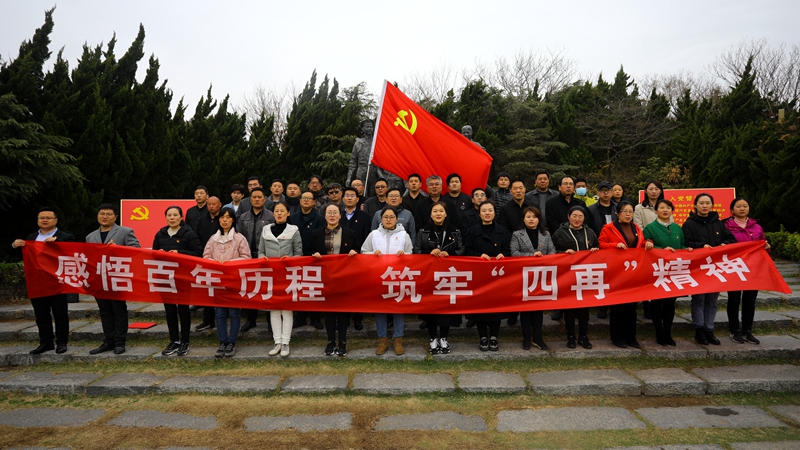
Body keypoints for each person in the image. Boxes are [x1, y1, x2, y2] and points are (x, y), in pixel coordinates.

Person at [12, 207, 76, 355]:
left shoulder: (66, 236)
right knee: (41, 315)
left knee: (60, 314)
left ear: (56, 220)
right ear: (38, 220)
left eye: (48, 218)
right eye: (42, 218)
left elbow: (72, 251)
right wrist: (14, 246)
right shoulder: (32, 237)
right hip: (37, 282)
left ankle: (62, 342)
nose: (45, 220)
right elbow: (23, 256)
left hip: (57, 282)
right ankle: (46, 342)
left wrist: (57, 242)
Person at [681, 193, 736, 345]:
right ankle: (699, 330)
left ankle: (709, 329)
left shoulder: (718, 223)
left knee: (712, 299)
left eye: (707, 203)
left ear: (712, 205)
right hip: (698, 268)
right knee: (699, 299)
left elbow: (731, 239)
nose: (704, 206)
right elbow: (687, 243)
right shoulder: (689, 224)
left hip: (715, 268)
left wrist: (725, 244)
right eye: (701, 203)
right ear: (695, 205)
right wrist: (701, 246)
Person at [86, 203, 141, 355]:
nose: (105, 216)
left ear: (116, 217)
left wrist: (118, 249)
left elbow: (137, 250)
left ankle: (119, 342)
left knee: (119, 310)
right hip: (99, 279)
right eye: (102, 214)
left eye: (109, 214)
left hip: (117, 278)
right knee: (105, 311)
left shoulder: (125, 232)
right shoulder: (90, 236)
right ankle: (108, 341)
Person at [361, 206, 413, 356]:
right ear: (381, 219)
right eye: (385, 217)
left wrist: (404, 255)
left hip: (398, 277)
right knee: (380, 309)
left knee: (398, 308)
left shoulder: (404, 235)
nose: (388, 220)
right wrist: (373, 253)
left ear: (396, 219)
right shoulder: (373, 234)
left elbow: (411, 254)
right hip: (379, 277)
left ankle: (398, 339)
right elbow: (363, 252)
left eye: (391, 217)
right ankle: (382, 339)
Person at [414, 201, 465, 355]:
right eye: (435, 211)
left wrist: (451, 254)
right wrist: (428, 253)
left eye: (441, 211)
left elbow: (462, 249)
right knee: (430, 308)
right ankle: (432, 339)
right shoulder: (423, 231)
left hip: (447, 276)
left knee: (445, 309)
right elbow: (416, 250)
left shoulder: (454, 231)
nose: (438, 214)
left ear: (446, 213)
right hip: (429, 276)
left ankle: (443, 338)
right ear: (430, 214)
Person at [598, 201, 650, 348]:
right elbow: (601, 244)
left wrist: (648, 242)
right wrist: (615, 246)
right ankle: (617, 338)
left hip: (633, 273)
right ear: (617, 213)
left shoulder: (636, 228)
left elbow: (641, 242)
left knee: (632, 307)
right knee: (618, 306)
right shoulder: (609, 228)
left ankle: (631, 338)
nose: (628, 214)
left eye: (630, 211)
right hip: (617, 273)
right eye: (625, 211)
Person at [153, 206, 202, 357]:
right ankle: (174, 340)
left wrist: (180, 253)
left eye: (175, 215)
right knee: (169, 310)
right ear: (166, 217)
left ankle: (185, 341)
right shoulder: (160, 234)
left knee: (183, 310)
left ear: (181, 217)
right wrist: (159, 253)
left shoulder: (189, 233)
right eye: (169, 215)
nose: (172, 218)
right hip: (165, 277)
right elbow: (153, 254)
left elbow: (198, 253)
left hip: (182, 278)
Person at [310, 204, 359, 356]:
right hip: (325, 277)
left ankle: (342, 342)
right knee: (329, 312)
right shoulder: (316, 234)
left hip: (343, 278)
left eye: (335, 212)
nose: (332, 215)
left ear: (340, 215)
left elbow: (358, 250)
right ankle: (330, 341)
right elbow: (308, 251)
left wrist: (354, 252)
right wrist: (314, 254)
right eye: (329, 212)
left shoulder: (350, 233)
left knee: (343, 312)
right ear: (325, 216)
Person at [202, 207, 250, 358]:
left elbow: (246, 258)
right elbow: (206, 257)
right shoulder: (213, 239)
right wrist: (216, 263)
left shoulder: (239, 238)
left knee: (234, 313)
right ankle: (222, 341)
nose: (225, 220)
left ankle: (232, 342)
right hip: (217, 281)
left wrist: (229, 264)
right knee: (220, 313)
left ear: (233, 220)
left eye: (228, 217)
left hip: (234, 280)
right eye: (222, 217)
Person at [643, 199, 691, 346]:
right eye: (662, 207)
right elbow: (645, 248)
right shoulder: (650, 228)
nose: (665, 210)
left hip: (674, 271)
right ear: (656, 211)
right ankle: (659, 332)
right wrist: (661, 250)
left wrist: (687, 250)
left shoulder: (677, 228)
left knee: (670, 302)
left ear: (672, 211)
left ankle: (667, 332)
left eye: (668, 208)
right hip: (658, 271)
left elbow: (682, 245)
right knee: (657, 302)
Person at [464, 201, 511, 351]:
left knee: (496, 307)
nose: (487, 213)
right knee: (481, 307)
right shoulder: (473, 231)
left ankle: (494, 336)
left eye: (490, 210)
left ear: (494, 213)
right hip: (479, 275)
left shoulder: (502, 231)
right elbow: (467, 250)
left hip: (498, 275)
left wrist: (503, 254)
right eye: (484, 210)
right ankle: (483, 337)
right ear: (479, 214)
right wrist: (478, 256)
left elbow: (508, 249)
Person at [259, 201, 303, 357]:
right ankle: (277, 341)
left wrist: (290, 259)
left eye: (282, 211)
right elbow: (260, 251)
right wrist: (262, 258)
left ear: (288, 213)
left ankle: (286, 343)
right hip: (270, 274)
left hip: (288, 275)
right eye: (276, 211)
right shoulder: (266, 230)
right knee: (274, 308)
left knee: (286, 309)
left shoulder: (293, 230)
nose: (279, 213)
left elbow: (299, 254)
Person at [552, 205, 599, 349]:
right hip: (567, 276)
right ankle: (571, 336)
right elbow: (552, 252)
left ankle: (583, 336)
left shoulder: (590, 232)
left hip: (585, 276)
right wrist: (563, 253)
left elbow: (598, 248)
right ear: (568, 217)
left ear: (584, 218)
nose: (577, 219)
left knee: (584, 308)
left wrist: (596, 250)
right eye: (574, 216)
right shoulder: (560, 233)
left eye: (580, 216)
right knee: (569, 308)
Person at [724, 197, 770, 345]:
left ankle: (747, 330)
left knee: (750, 300)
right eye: (738, 206)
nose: (742, 208)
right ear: (732, 210)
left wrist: (767, 247)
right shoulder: (726, 226)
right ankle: (734, 330)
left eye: (745, 206)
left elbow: (763, 244)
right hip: (734, 268)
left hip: (753, 268)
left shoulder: (757, 227)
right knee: (734, 299)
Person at [510, 207, 555, 351]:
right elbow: (514, 253)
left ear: (539, 219)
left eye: (534, 217)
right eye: (528, 217)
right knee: (526, 308)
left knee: (538, 308)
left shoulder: (546, 234)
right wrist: (532, 256)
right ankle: (526, 337)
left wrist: (543, 258)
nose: (531, 219)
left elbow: (552, 251)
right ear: (523, 219)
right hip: (524, 276)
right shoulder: (517, 234)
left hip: (541, 276)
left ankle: (537, 336)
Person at [237, 187, 276, 332]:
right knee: (250, 289)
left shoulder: (271, 216)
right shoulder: (243, 217)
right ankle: (251, 319)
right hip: (248, 257)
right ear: (250, 199)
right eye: (254, 197)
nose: (257, 199)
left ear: (264, 199)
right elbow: (239, 237)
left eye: (260, 197)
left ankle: (270, 321)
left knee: (268, 289)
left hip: (266, 257)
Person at [291, 191, 326, 330]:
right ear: (300, 201)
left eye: (309, 198)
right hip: (296, 258)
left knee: (313, 289)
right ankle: (300, 317)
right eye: (303, 198)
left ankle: (315, 317)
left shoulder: (319, 219)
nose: (306, 200)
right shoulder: (292, 217)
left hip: (313, 258)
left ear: (314, 202)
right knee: (298, 288)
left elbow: (320, 237)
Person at [340, 186, 371, 330]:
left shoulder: (364, 216)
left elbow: (366, 236)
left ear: (357, 199)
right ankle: (344, 317)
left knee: (358, 289)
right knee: (343, 289)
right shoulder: (338, 214)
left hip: (358, 256)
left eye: (352, 195)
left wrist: (360, 251)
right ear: (343, 198)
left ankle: (358, 318)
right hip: (341, 258)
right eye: (347, 195)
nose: (349, 198)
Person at [633, 180, 664, 321]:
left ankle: (658, 304)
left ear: (660, 191)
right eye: (651, 189)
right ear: (645, 191)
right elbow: (638, 227)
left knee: (659, 275)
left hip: (662, 247)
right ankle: (646, 304)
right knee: (647, 276)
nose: (654, 191)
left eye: (656, 189)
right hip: (647, 245)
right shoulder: (639, 208)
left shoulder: (665, 206)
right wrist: (649, 239)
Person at [587, 180, 617, 319]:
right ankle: (602, 307)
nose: (606, 193)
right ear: (597, 193)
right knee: (602, 277)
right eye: (603, 190)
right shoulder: (591, 209)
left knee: (615, 277)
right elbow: (589, 228)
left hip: (616, 247)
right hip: (598, 246)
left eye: (608, 190)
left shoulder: (618, 208)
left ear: (612, 192)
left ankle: (614, 304)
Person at [193, 196, 223, 331]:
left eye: (213, 204)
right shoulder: (201, 220)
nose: (211, 206)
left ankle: (222, 319)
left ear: (220, 204)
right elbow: (196, 238)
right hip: (205, 259)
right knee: (207, 291)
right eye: (209, 204)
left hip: (222, 259)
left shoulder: (223, 219)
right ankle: (208, 320)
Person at [347, 119, 377, 193]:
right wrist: (349, 177)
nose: (369, 128)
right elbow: (353, 161)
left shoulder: (376, 142)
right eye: (367, 127)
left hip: (374, 171)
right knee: (361, 192)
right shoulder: (358, 143)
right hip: (362, 172)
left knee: (373, 193)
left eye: (371, 127)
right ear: (363, 129)